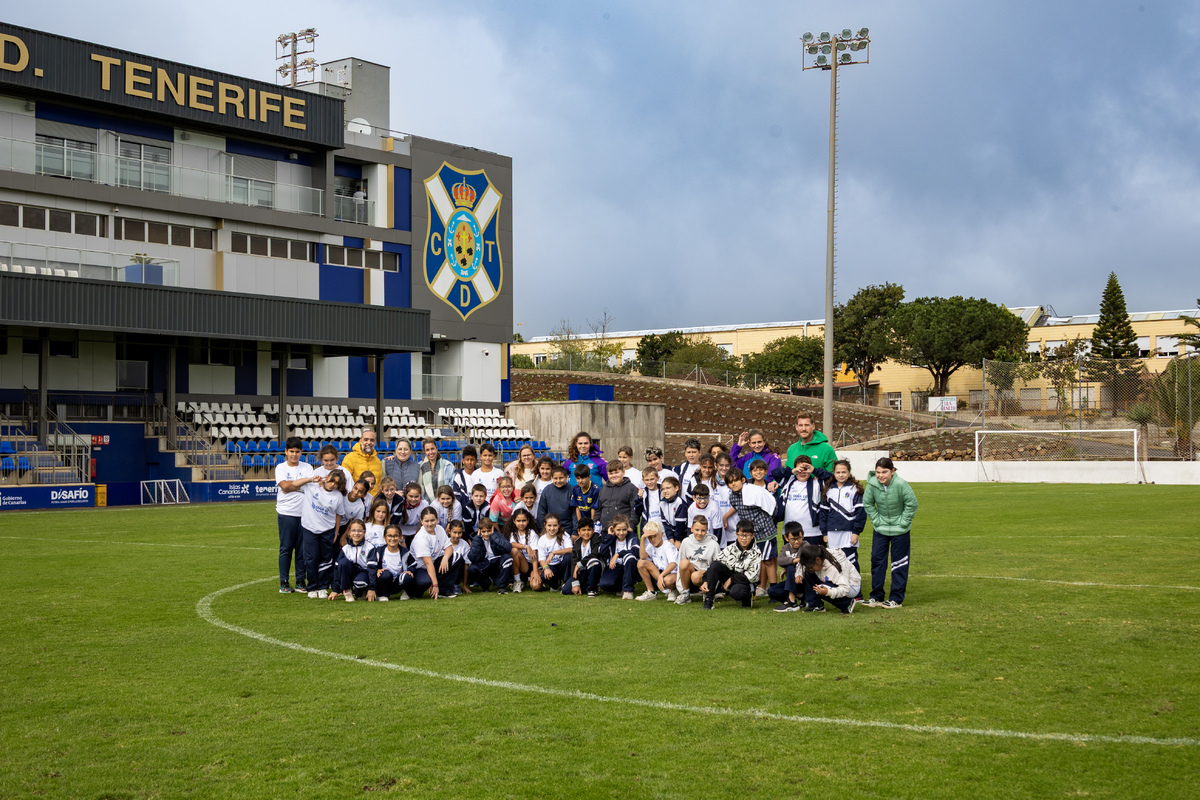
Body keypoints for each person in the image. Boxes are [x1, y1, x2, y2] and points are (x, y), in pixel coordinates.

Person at [862, 457, 918, 609]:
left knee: (899, 563)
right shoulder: (872, 484)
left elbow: (912, 504)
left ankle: (896, 598)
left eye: (884, 472)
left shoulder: (901, 484)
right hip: (880, 529)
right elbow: (867, 503)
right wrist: (876, 520)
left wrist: (903, 522)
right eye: (878, 472)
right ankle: (876, 596)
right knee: (877, 561)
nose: (880, 475)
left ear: (892, 471)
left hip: (900, 530)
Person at [722, 467, 777, 597]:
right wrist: (725, 516)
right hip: (750, 534)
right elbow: (738, 509)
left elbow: (769, 505)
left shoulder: (754, 491)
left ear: (743, 480)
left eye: (736, 480)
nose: (733, 484)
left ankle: (774, 590)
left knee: (768, 560)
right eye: (730, 482)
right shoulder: (733, 497)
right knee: (755, 560)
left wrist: (765, 523)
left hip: (764, 531)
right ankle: (759, 587)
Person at [820, 460, 866, 601]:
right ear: (834, 473)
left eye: (844, 472)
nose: (841, 475)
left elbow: (860, 513)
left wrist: (856, 532)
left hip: (848, 532)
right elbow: (823, 513)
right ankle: (841, 590)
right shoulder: (829, 490)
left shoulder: (854, 489)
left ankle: (857, 593)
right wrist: (824, 533)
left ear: (849, 472)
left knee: (851, 561)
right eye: (838, 472)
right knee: (836, 563)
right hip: (832, 533)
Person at [274, 436, 315, 593]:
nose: (294, 455)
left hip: (304, 514)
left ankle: (300, 581)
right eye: (291, 451)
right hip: (287, 513)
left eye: (297, 452)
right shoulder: (281, 468)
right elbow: (284, 486)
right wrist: (300, 486)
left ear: (301, 452)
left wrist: (293, 487)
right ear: (286, 452)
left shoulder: (308, 467)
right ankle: (284, 582)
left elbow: (305, 488)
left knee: (301, 550)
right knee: (286, 548)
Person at [300, 469, 349, 599]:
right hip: (310, 528)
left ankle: (322, 586)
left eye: (336, 483)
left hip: (327, 530)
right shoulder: (312, 487)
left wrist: (336, 532)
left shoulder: (338, 496)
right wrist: (311, 479)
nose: (332, 484)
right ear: (327, 477)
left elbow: (339, 515)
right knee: (311, 558)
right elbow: (294, 485)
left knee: (326, 559)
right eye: (331, 480)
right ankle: (312, 587)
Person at [701, 520, 762, 610]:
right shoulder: (730, 548)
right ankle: (709, 598)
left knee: (737, 592)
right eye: (741, 535)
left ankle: (747, 595)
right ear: (736, 534)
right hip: (729, 574)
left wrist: (732, 579)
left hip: (744, 580)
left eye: (747, 535)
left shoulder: (756, 552)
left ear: (753, 536)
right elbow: (716, 563)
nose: (744, 538)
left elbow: (753, 576)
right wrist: (705, 580)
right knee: (715, 565)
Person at [799, 543, 860, 614]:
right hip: (834, 580)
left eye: (811, 567)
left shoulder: (834, 568)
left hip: (851, 586)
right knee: (808, 573)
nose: (810, 569)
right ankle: (816, 605)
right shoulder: (819, 554)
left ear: (818, 560)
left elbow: (846, 588)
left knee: (821, 588)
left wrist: (828, 592)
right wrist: (799, 574)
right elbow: (802, 564)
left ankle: (847, 603)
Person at [675, 516, 721, 605]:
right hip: (689, 578)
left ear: (707, 530)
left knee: (696, 576)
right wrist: (679, 588)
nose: (699, 533)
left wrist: (712, 587)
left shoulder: (714, 544)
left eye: (703, 530)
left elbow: (717, 567)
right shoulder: (686, 542)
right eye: (697, 530)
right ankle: (685, 593)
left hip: (704, 577)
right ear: (691, 529)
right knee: (684, 563)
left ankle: (707, 593)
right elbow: (680, 565)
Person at [409, 507, 450, 599]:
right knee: (424, 582)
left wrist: (445, 558)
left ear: (437, 519)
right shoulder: (421, 538)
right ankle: (411, 592)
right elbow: (428, 563)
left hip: (433, 563)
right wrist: (434, 584)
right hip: (419, 568)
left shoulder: (439, 529)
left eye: (432, 520)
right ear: (421, 521)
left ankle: (444, 590)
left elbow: (449, 547)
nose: (430, 524)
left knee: (455, 558)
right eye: (426, 521)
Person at [468, 516, 516, 594]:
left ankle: (501, 587)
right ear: (479, 530)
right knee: (472, 568)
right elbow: (472, 558)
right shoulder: (476, 539)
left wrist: (493, 535)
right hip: (484, 564)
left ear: (492, 529)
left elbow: (508, 548)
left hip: (497, 562)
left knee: (507, 558)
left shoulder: (497, 535)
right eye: (483, 531)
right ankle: (486, 586)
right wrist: (477, 540)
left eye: (488, 531)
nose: (486, 534)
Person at [367, 524, 415, 601]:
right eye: (389, 536)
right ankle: (383, 595)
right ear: (384, 537)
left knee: (407, 576)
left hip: (397, 583)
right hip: (384, 581)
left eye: (395, 536)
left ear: (400, 537)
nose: (392, 539)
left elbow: (413, 564)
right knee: (385, 574)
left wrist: (410, 570)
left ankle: (406, 592)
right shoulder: (378, 551)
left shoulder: (405, 552)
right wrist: (377, 570)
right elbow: (371, 568)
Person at [598, 515, 639, 599]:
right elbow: (602, 552)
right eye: (618, 530)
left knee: (629, 557)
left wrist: (618, 554)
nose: (621, 533)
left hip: (630, 567)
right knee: (604, 584)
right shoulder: (611, 538)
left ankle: (628, 590)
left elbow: (636, 551)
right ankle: (620, 588)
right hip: (615, 567)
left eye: (624, 529)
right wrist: (609, 536)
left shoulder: (633, 537)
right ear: (613, 529)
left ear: (628, 528)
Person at [636, 521, 679, 601]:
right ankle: (651, 592)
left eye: (655, 536)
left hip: (674, 573)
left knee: (667, 581)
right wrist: (642, 538)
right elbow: (642, 556)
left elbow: (673, 564)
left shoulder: (667, 546)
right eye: (650, 537)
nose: (653, 539)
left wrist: (661, 576)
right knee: (641, 563)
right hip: (662, 574)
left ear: (662, 535)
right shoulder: (651, 546)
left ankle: (674, 590)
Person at [330, 519, 371, 602]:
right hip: (350, 574)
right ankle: (347, 590)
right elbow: (337, 569)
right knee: (343, 562)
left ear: (364, 532)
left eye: (360, 531)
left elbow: (372, 569)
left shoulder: (370, 547)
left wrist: (372, 588)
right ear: (349, 532)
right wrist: (335, 590)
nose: (356, 533)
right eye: (353, 530)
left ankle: (361, 591)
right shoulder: (345, 549)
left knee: (361, 582)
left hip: (363, 574)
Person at [597, 460, 640, 534]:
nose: (614, 476)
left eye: (617, 472)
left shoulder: (631, 488)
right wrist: (596, 524)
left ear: (623, 472)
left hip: (624, 531)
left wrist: (631, 526)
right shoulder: (603, 489)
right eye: (611, 473)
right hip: (605, 531)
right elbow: (598, 509)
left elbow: (635, 509)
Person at [501, 510, 540, 592]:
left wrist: (535, 572)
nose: (521, 523)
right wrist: (525, 547)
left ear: (528, 520)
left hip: (533, 565)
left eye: (524, 520)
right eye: (518, 521)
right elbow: (512, 544)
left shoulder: (532, 533)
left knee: (536, 587)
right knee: (514, 550)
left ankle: (533, 577)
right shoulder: (513, 534)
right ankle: (517, 581)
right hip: (522, 565)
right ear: (514, 521)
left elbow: (534, 556)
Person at [770, 523, 806, 611]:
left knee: (790, 567)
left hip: (803, 580)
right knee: (772, 591)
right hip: (791, 581)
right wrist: (794, 560)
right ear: (786, 538)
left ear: (803, 536)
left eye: (799, 538)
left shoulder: (805, 545)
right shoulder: (785, 548)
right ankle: (800, 596)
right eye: (793, 539)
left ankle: (792, 602)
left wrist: (788, 565)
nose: (797, 541)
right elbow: (780, 561)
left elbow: (804, 560)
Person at [536, 514, 573, 594]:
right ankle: (555, 585)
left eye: (555, 525)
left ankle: (566, 582)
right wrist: (546, 568)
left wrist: (554, 553)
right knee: (544, 576)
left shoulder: (564, 535)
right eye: (549, 525)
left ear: (559, 525)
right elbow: (541, 559)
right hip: (552, 566)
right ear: (545, 525)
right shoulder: (542, 540)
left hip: (563, 565)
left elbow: (571, 549)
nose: (552, 528)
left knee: (568, 557)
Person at [418, 439, 456, 503]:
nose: (430, 452)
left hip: (444, 503)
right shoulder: (420, 466)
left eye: (432, 449)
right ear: (424, 452)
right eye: (427, 450)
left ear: (436, 448)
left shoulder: (448, 465)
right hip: (426, 504)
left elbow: (452, 486)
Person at [571, 523, 604, 597]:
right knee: (566, 590)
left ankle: (592, 589)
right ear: (578, 532)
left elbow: (595, 554)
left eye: (589, 530)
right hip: (582, 571)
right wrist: (575, 582)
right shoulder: (577, 543)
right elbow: (574, 562)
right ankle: (587, 586)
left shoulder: (597, 538)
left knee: (593, 561)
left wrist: (579, 564)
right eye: (583, 530)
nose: (586, 533)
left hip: (595, 569)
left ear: (593, 530)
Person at [440, 520, 471, 597]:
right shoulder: (444, 543)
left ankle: (456, 584)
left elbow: (466, 565)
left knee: (460, 560)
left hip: (458, 572)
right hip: (445, 570)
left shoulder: (465, 545)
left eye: (459, 533)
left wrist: (464, 585)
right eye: (455, 532)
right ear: (449, 532)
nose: (457, 535)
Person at [656, 475, 689, 543]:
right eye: (663, 489)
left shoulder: (680, 503)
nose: (665, 491)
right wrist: (670, 538)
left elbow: (681, 525)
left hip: (683, 537)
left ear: (676, 488)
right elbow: (666, 524)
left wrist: (678, 540)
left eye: (668, 488)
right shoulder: (662, 503)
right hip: (672, 537)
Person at [571, 464, 601, 536]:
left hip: (593, 522)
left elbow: (594, 509)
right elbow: (577, 507)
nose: (580, 481)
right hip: (582, 521)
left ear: (589, 477)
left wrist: (591, 526)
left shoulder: (596, 489)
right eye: (578, 478)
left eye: (583, 478)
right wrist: (580, 525)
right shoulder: (576, 489)